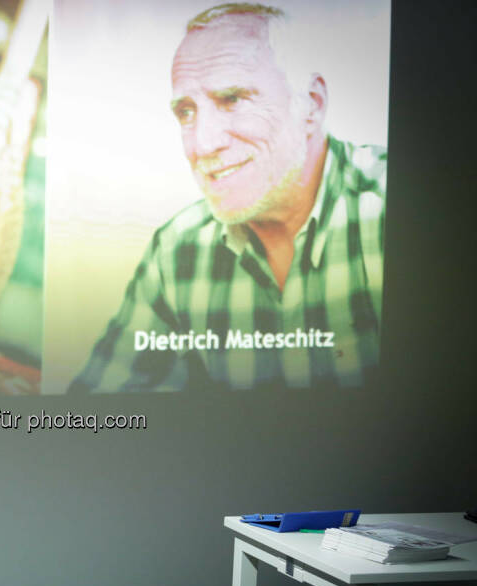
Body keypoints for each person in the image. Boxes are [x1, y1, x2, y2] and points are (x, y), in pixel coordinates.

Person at [70, 3, 385, 392]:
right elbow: (103, 412)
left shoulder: (390, 207)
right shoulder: (176, 250)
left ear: (312, 104)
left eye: (232, 99)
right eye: (186, 112)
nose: (202, 144)